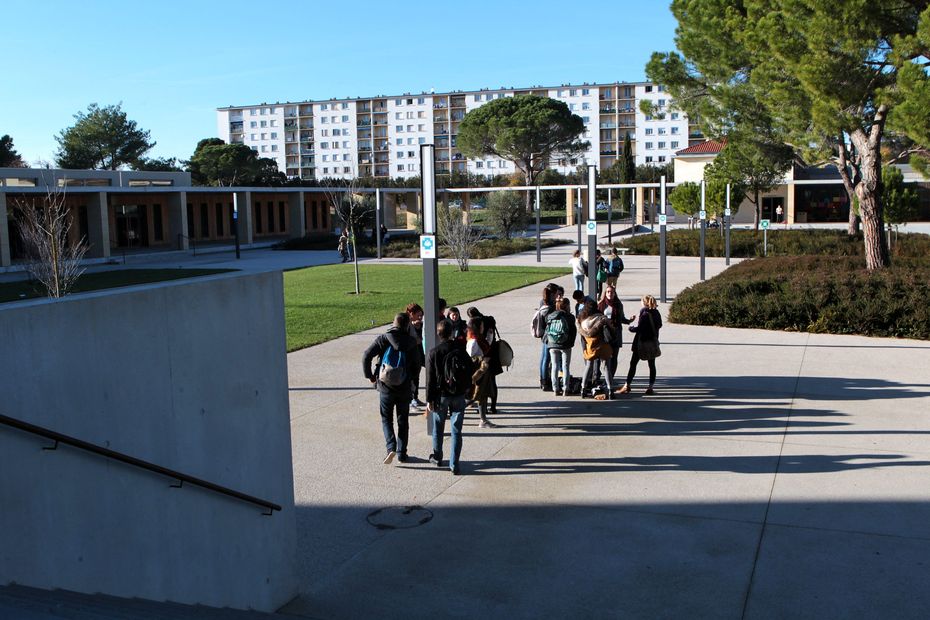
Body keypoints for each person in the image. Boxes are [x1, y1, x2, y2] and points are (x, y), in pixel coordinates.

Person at [362, 313, 419, 464]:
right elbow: (416, 364)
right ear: (407, 325)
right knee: (403, 421)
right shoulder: (411, 342)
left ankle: (391, 447)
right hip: (404, 386)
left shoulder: (384, 338)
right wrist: (412, 380)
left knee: (386, 419)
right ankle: (402, 453)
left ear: (393, 324)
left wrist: (370, 376)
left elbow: (366, 355)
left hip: (385, 386)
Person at [425, 320, 475, 474]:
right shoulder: (460, 348)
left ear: (438, 335)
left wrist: (429, 399)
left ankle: (438, 456)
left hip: (441, 395)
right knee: (456, 431)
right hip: (458, 394)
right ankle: (455, 463)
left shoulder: (434, 352)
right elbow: (471, 368)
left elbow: (430, 379)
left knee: (438, 427)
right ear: (452, 332)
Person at [618, 295, 663, 396]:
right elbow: (659, 325)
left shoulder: (644, 313)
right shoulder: (656, 312)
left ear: (644, 302)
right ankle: (650, 387)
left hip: (641, 342)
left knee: (633, 363)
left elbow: (640, 328)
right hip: (652, 342)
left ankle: (627, 385)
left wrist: (631, 328)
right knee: (652, 365)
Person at [577, 299, 614, 399]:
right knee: (606, 368)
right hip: (602, 346)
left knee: (588, 367)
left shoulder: (582, 321)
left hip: (590, 346)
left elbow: (583, 336)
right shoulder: (601, 318)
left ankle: (583, 389)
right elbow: (611, 329)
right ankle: (610, 390)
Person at [466, 316, 498, 428]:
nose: (483, 327)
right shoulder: (474, 341)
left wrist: (490, 336)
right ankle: (453, 410)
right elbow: (471, 357)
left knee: (481, 396)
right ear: (478, 327)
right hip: (478, 373)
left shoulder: (479, 338)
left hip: (483, 371)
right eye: (482, 325)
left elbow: (486, 347)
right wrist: (482, 359)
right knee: (476, 396)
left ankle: (483, 420)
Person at [597, 284, 632, 383]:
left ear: (615, 293)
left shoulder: (618, 304)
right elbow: (597, 318)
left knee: (614, 357)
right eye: (608, 292)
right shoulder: (601, 305)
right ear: (605, 293)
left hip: (616, 333)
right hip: (604, 334)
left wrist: (629, 321)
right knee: (604, 357)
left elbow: (621, 318)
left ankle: (610, 378)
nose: (610, 294)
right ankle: (599, 377)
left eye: (612, 292)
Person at [546, 298, 577, 396]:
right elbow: (573, 331)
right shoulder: (570, 317)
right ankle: (565, 388)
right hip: (565, 344)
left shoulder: (550, 316)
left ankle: (555, 388)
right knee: (565, 366)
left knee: (554, 366)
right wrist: (571, 342)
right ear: (566, 306)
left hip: (552, 342)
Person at [534, 284, 558, 391]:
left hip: (543, 333)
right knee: (547, 358)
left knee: (544, 358)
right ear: (552, 294)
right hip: (549, 334)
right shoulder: (551, 306)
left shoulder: (542, 302)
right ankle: (545, 381)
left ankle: (543, 380)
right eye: (556, 294)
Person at [406, 302, 426, 409]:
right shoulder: (406, 325)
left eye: (421, 315)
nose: (420, 317)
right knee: (410, 378)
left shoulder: (420, 325)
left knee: (416, 377)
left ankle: (415, 397)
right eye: (418, 315)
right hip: (410, 355)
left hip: (419, 354)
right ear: (411, 314)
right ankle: (410, 401)